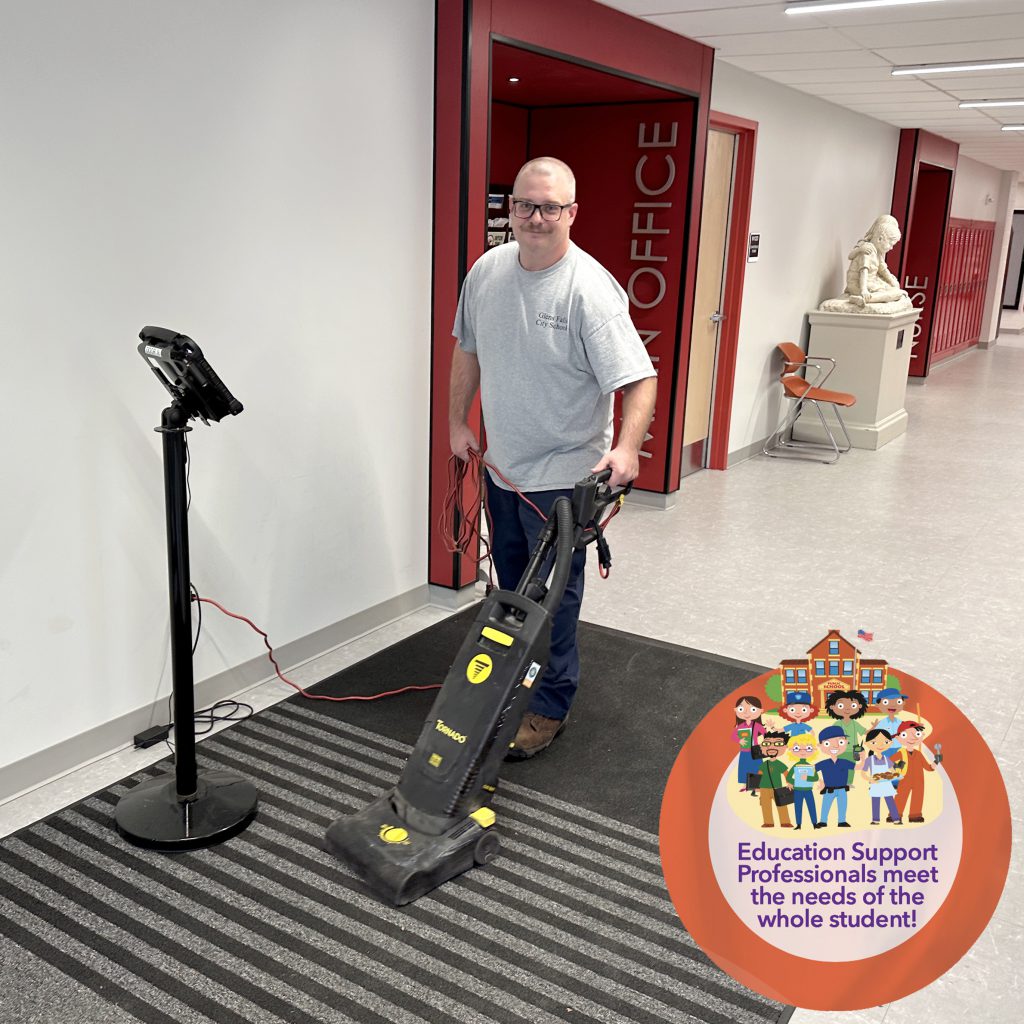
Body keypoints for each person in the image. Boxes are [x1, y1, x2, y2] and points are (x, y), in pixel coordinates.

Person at [449, 157, 657, 759]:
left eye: (550, 207)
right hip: (503, 468)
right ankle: (513, 680)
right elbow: (468, 347)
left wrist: (625, 448)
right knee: (511, 586)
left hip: (564, 477)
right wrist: (457, 420)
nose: (535, 218)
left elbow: (639, 379)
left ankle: (549, 705)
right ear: (509, 208)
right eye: (524, 205)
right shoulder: (487, 272)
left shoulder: (589, 290)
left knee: (555, 598)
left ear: (571, 213)